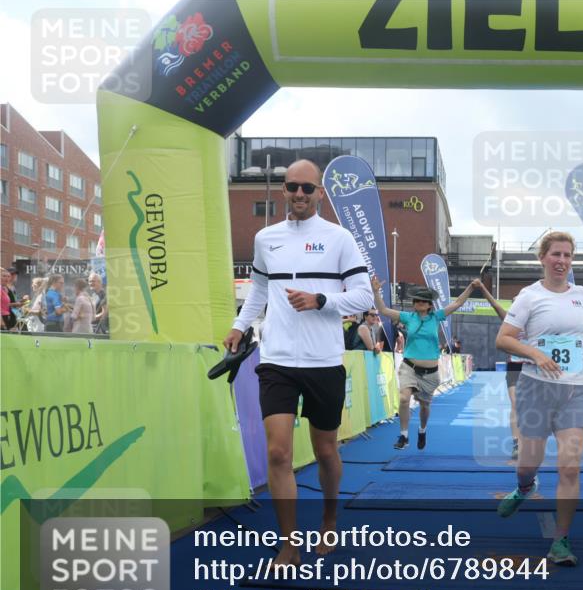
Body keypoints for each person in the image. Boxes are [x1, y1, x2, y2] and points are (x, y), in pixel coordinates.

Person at [223, 159, 373, 568]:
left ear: (320, 194)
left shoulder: (339, 238)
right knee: (277, 453)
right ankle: (289, 543)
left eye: (308, 188)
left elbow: (364, 297)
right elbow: (257, 292)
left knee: (326, 450)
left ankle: (328, 517)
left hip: (324, 360)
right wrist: (239, 326)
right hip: (276, 359)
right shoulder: (265, 237)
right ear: (284, 190)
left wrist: (322, 301)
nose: (300, 195)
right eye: (293, 187)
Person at [495, 231, 583, 566]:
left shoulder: (581, 295)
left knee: (569, 467)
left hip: (576, 389)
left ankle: (560, 540)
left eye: (567, 255)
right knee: (528, 462)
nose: (562, 261)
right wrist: (534, 353)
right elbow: (504, 339)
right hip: (536, 388)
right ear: (543, 258)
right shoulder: (528, 297)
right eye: (556, 255)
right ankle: (524, 487)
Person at [371, 277, 478, 450]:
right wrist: (376, 291)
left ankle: (422, 429)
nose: (419, 303)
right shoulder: (407, 317)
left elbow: (458, 303)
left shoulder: (436, 317)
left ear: (429, 305)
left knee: (424, 406)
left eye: (423, 301)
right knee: (404, 399)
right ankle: (404, 436)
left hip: (430, 373)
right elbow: (382, 309)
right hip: (409, 367)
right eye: (416, 300)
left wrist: (471, 287)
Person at [477, 279, 527, 459]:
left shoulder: (539, 322)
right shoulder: (508, 320)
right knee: (515, 404)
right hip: (514, 367)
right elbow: (494, 304)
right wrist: (482, 287)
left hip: (532, 368)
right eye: (514, 303)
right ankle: (516, 443)